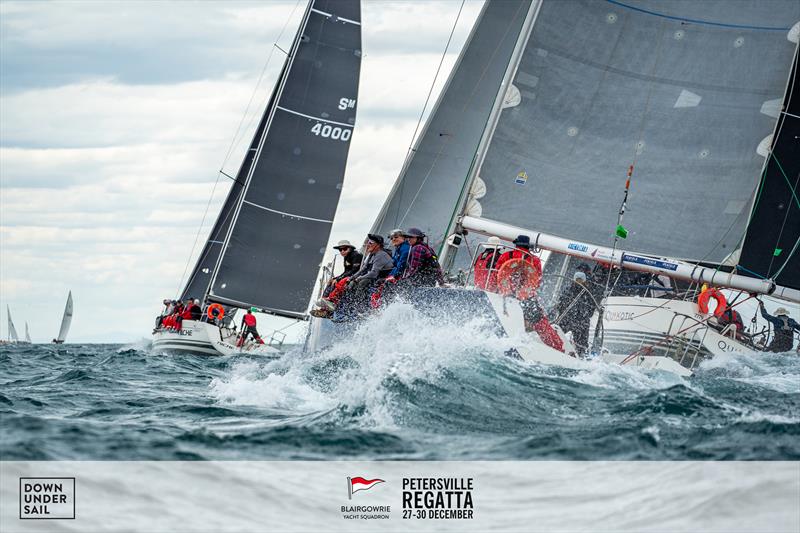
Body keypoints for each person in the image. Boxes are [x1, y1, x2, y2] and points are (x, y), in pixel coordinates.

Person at [336, 234, 394, 316]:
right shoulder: (371, 254)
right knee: (351, 283)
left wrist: (359, 278)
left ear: (378, 245)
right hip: (374, 277)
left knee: (362, 282)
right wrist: (352, 278)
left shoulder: (381, 254)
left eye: (370, 242)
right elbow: (363, 269)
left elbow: (374, 273)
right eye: (368, 242)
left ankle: (362, 309)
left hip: (381, 277)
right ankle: (349, 307)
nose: (368, 244)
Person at [552, 271, 596, 355]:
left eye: (580, 280)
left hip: (575, 321)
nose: (579, 282)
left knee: (580, 345)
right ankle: (579, 354)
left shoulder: (568, 290)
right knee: (581, 345)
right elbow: (591, 311)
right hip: (576, 321)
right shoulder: (589, 293)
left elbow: (561, 305)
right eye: (578, 280)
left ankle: (555, 348)